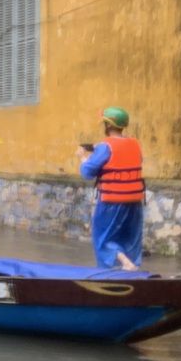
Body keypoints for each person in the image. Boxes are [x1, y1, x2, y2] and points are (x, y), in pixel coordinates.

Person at [77, 106, 144, 270]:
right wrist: (98, 148)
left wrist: (83, 156)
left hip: (112, 200)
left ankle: (125, 264)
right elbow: (127, 158)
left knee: (103, 237)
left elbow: (87, 172)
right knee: (130, 236)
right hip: (135, 200)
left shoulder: (105, 146)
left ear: (107, 125)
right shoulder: (135, 143)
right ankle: (132, 265)